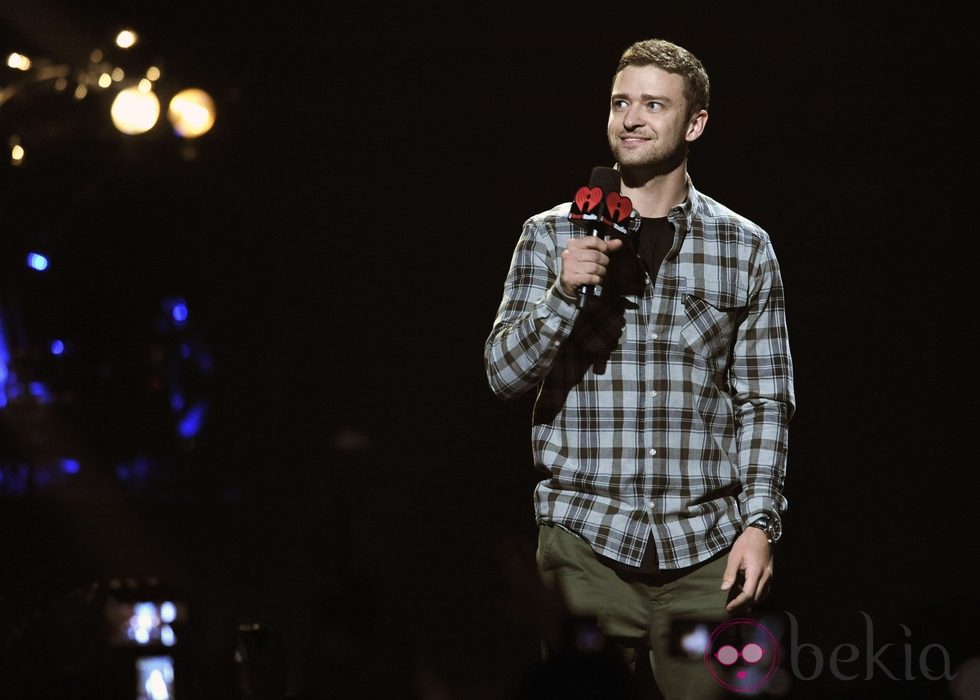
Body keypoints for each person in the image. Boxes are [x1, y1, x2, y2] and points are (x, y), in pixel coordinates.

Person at [484, 38, 795, 698]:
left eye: (654, 104)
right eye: (621, 102)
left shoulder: (745, 246)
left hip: (705, 556)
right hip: (585, 544)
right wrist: (563, 294)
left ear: (696, 122)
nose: (631, 118)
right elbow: (503, 376)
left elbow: (765, 399)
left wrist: (759, 525)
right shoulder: (550, 234)